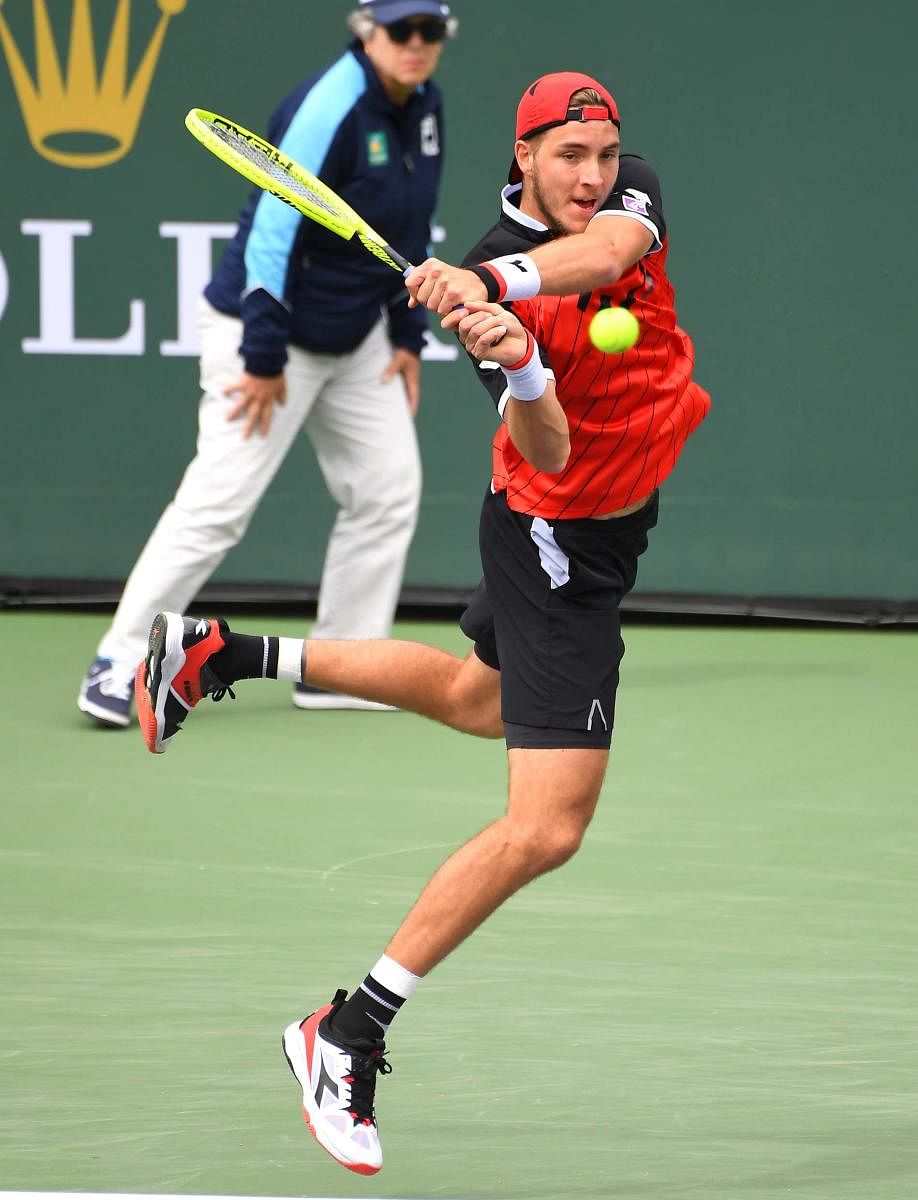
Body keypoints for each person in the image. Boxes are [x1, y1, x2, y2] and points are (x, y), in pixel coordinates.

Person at [133, 71, 711, 1175]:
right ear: (524, 154)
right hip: (558, 542)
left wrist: (497, 282)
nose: (593, 177)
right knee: (548, 826)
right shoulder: (498, 272)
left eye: (603, 155)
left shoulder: (617, 204)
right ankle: (346, 1031)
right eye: (569, 157)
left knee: (478, 699)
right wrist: (524, 357)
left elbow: (601, 260)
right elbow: (547, 451)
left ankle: (224, 653)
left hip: (608, 523)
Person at [77, 0, 457, 729]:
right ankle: (120, 661)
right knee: (218, 505)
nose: (416, 44)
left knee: (387, 489)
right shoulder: (330, 108)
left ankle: (344, 666)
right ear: (366, 29)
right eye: (400, 30)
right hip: (268, 336)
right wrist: (260, 353)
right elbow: (270, 235)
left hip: (355, 339)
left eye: (430, 31)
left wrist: (407, 337)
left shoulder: (425, 107)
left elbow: (408, 227)